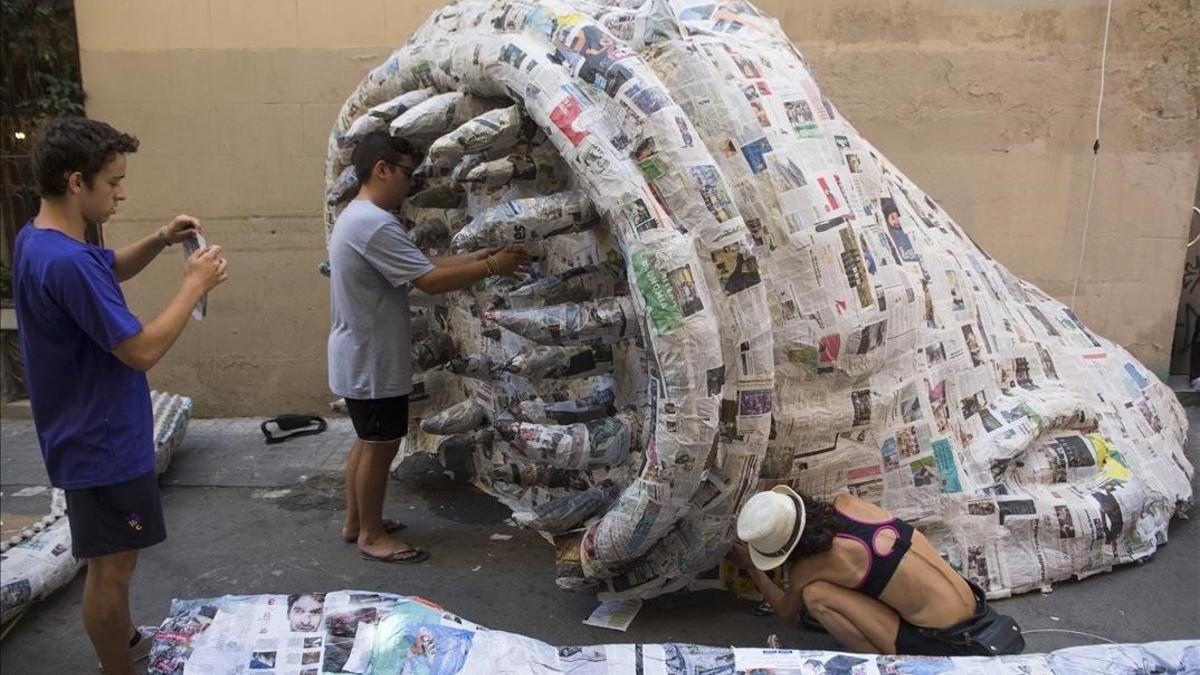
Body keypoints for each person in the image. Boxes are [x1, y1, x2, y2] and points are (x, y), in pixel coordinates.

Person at [12, 117, 229, 674]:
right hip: (104, 448)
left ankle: (125, 641)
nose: (121, 192)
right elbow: (140, 351)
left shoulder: (42, 241)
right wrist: (193, 285)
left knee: (111, 559)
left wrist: (161, 241)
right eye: (113, 181)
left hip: (88, 438)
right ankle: (120, 666)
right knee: (113, 571)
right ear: (77, 181)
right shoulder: (65, 261)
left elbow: (105, 268)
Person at [328, 131, 528, 564]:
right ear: (381, 169)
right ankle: (371, 534)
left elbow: (423, 263)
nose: (409, 183)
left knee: (367, 441)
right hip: (372, 357)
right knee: (380, 445)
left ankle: (355, 521)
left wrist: (482, 255)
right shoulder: (373, 223)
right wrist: (494, 266)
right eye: (406, 173)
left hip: (358, 352)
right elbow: (430, 282)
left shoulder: (359, 218)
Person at [730, 486, 1024, 656]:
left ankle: (886, 661)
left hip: (946, 638)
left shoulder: (809, 568)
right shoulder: (847, 502)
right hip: (975, 607)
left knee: (815, 595)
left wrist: (754, 570)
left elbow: (784, 609)